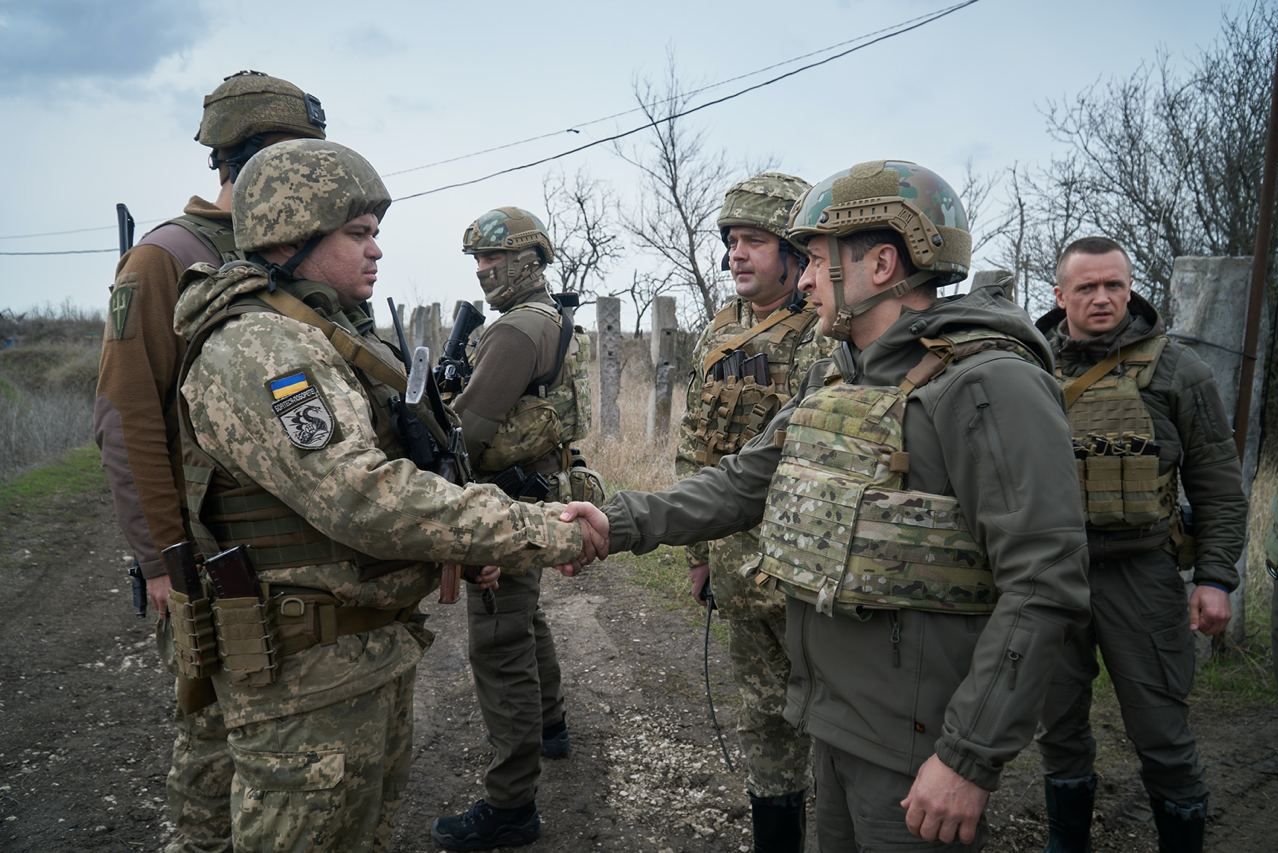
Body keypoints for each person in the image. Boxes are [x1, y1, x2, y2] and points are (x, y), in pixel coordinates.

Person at [559, 160, 1091, 850]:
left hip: (915, 749)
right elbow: (745, 480)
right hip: (835, 722)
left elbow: (1045, 582)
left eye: (814, 259)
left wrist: (968, 756)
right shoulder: (837, 375)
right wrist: (621, 520)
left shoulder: (989, 386)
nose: (804, 279)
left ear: (881, 263)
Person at [172, 139, 598, 851]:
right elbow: (362, 495)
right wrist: (540, 529)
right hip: (304, 681)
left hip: (353, 657)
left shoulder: (317, 333)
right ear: (293, 233)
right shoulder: (262, 348)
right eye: (358, 234)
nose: (376, 251)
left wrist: (463, 546)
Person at [93, 69, 327, 853]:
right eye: (299, 159)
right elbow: (126, 416)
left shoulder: (291, 252)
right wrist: (161, 559)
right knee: (213, 758)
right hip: (211, 557)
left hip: (297, 561)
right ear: (252, 159)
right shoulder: (165, 258)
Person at [1032, 236, 1248, 853]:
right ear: (1059, 295)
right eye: (1087, 287)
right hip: (1051, 575)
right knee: (1058, 726)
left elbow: (1217, 483)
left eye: (1115, 286)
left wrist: (1214, 578)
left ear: (1130, 288)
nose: (1103, 298)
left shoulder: (1179, 370)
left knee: (1162, 730)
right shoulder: (1027, 366)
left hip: (1142, 574)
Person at [431, 207, 601, 851]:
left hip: (503, 502)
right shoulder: (553, 319)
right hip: (537, 492)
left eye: (493, 260)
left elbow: (466, 436)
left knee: (499, 645)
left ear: (527, 259)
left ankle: (511, 806)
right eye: (477, 261)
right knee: (526, 622)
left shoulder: (514, 333)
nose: (483, 272)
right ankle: (551, 727)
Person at [674, 171, 829, 851]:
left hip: (805, 575)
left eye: (755, 241)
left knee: (835, 720)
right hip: (738, 569)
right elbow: (693, 445)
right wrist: (698, 552)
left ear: (795, 254)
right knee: (764, 720)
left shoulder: (822, 337)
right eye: (732, 241)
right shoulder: (718, 331)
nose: (738, 253)